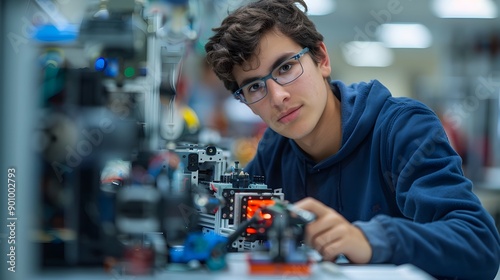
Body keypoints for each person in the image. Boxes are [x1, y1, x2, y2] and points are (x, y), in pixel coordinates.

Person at [204, 0, 500, 279]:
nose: (278, 97)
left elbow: (479, 246)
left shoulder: (403, 129)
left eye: (286, 67)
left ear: (322, 59)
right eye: (255, 87)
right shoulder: (274, 151)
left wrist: (370, 238)